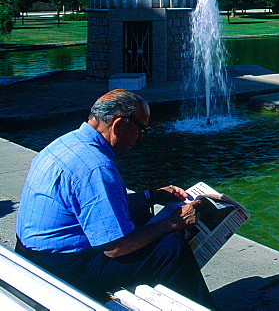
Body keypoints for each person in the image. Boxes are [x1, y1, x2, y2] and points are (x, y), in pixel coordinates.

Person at [15, 89, 215, 307]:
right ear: (118, 125)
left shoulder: (66, 143)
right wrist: (174, 221)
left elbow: (91, 208)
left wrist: (151, 195)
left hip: (32, 254)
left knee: (140, 213)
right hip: (61, 268)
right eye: (141, 130)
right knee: (172, 249)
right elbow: (115, 247)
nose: (140, 138)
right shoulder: (96, 167)